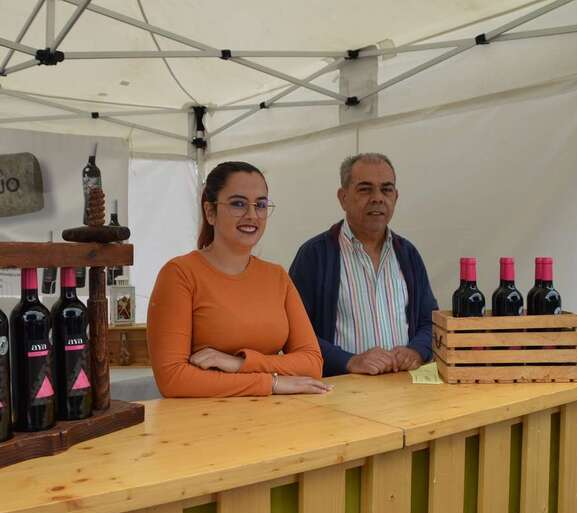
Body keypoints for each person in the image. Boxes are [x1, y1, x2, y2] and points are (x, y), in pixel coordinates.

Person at [147, 161, 330, 397]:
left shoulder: (277, 277)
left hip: (276, 415)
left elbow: (312, 364)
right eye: (238, 204)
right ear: (210, 212)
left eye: (260, 205)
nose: (252, 215)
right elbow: (173, 379)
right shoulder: (179, 274)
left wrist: (239, 363)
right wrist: (271, 383)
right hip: (205, 418)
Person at [289, 153, 438, 377]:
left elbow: (430, 321)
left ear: (396, 197)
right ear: (343, 198)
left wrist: (416, 351)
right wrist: (349, 361)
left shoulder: (408, 254)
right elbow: (294, 333)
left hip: (404, 389)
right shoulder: (314, 256)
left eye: (386, 189)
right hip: (341, 390)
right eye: (365, 189)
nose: (377, 198)